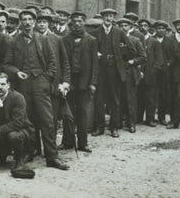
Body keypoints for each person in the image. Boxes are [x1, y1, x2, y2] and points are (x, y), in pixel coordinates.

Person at [3, 9, 68, 170]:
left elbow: (53, 63)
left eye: (30, 19)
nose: (27, 22)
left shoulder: (43, 39)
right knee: (27, 121)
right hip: (23, 85)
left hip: (41, 83)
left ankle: (52, 157)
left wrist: (45, 79)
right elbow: (6, 64)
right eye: (23, 19)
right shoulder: (14, 41)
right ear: (20, 22)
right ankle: (29, 152)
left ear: (34, 22)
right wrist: (17, 72)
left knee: (47, 121)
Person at [92, 8, 134, 138]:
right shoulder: (95, 32)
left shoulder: (119, 32)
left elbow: (131, 50)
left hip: (114, 71)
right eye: (106, 16)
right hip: (100, 71)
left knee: (115, 100)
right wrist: (96, 54)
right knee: (99, 100)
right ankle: (100, 127)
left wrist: (119, 55)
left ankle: (114, 127)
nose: (108, 18)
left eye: (111, 16)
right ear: (102, 18)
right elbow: (89, 50)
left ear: (113, 18)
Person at [60, 11, 98, 152]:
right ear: (71, 23)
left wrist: (93, 83)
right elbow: (62, 62)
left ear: (84, 23)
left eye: (80, 21)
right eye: (74, 21)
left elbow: (95, 64)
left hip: (84, 82)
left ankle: (83, 143)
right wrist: (64, 82)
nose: (77, 24)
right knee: (68, 113)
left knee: (82, 112)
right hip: (69, 82)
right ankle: (67, 141)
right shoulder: (64, 39)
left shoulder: (91, 40)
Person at [0, 72, 34, 170]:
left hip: (22, 131)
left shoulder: (17, 98)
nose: (0, 87)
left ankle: (20, 160)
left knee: (13, 136)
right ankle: (2, 157)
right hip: (3, 131)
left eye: (3, 84)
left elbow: (18, 124)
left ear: (8, 85)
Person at [35, 12, 70, 152]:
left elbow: (65, 63)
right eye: (39, 22)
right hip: (37, 85)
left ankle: (51, 148)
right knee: (36, 117)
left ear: (49, 23)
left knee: (53, 118)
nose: (41, 24)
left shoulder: (57, 39)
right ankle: (36, 148)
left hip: (54, 84)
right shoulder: (33, 38)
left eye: (44, 22)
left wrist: (66, 82)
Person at [117, 18, 146, 133]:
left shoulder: (135, 40)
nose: (123, 27)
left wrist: (133, 62)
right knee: (118, 98)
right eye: (121, 25)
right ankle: (117, 122)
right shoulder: (115, 40)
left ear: (130, 27)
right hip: (118, 73)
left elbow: (143, 57)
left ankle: (131, 123)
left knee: (130, 99)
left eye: (125, 25)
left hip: (130, 72)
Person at [167, 18, 180, 129]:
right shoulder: (169, 39)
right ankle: (172, 119)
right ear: (175, 27)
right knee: (172, 95)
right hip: (171, 71)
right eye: (178, 25)